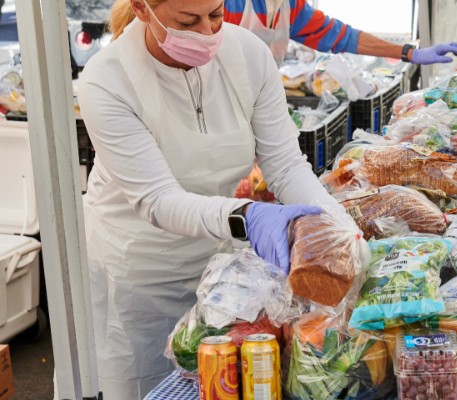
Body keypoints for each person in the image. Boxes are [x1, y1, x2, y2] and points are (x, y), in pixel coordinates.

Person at [79, 0, 344, 397]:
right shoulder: (107, 79)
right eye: (188, 21)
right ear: (141, 9)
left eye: (216, 14)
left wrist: (338, 229)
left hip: (219, 269)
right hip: (138, 272)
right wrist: (249, 217)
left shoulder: (248, 55)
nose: (207, 33)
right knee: (145, 385)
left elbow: (286, 165)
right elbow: (159, 200)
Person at [223, 0, 457, 66]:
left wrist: (409, 53)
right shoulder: (228, 5)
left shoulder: (291, 6)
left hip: (258, 110)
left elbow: (341, 36)